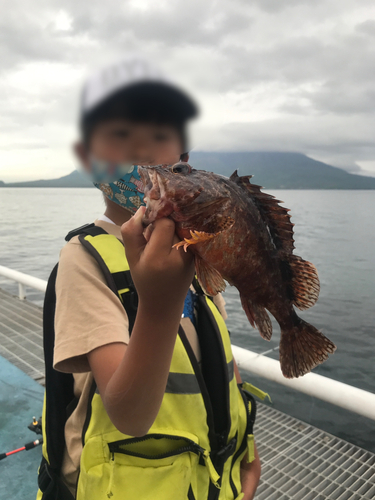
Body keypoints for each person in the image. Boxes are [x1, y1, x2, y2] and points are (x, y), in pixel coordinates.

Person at [36, 56, 261, 500]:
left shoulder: (194, 258)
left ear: (185, 164)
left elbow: (220, 369)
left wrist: (245, 457)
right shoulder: (84, 260)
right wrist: (158, 307)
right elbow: (129, 413)